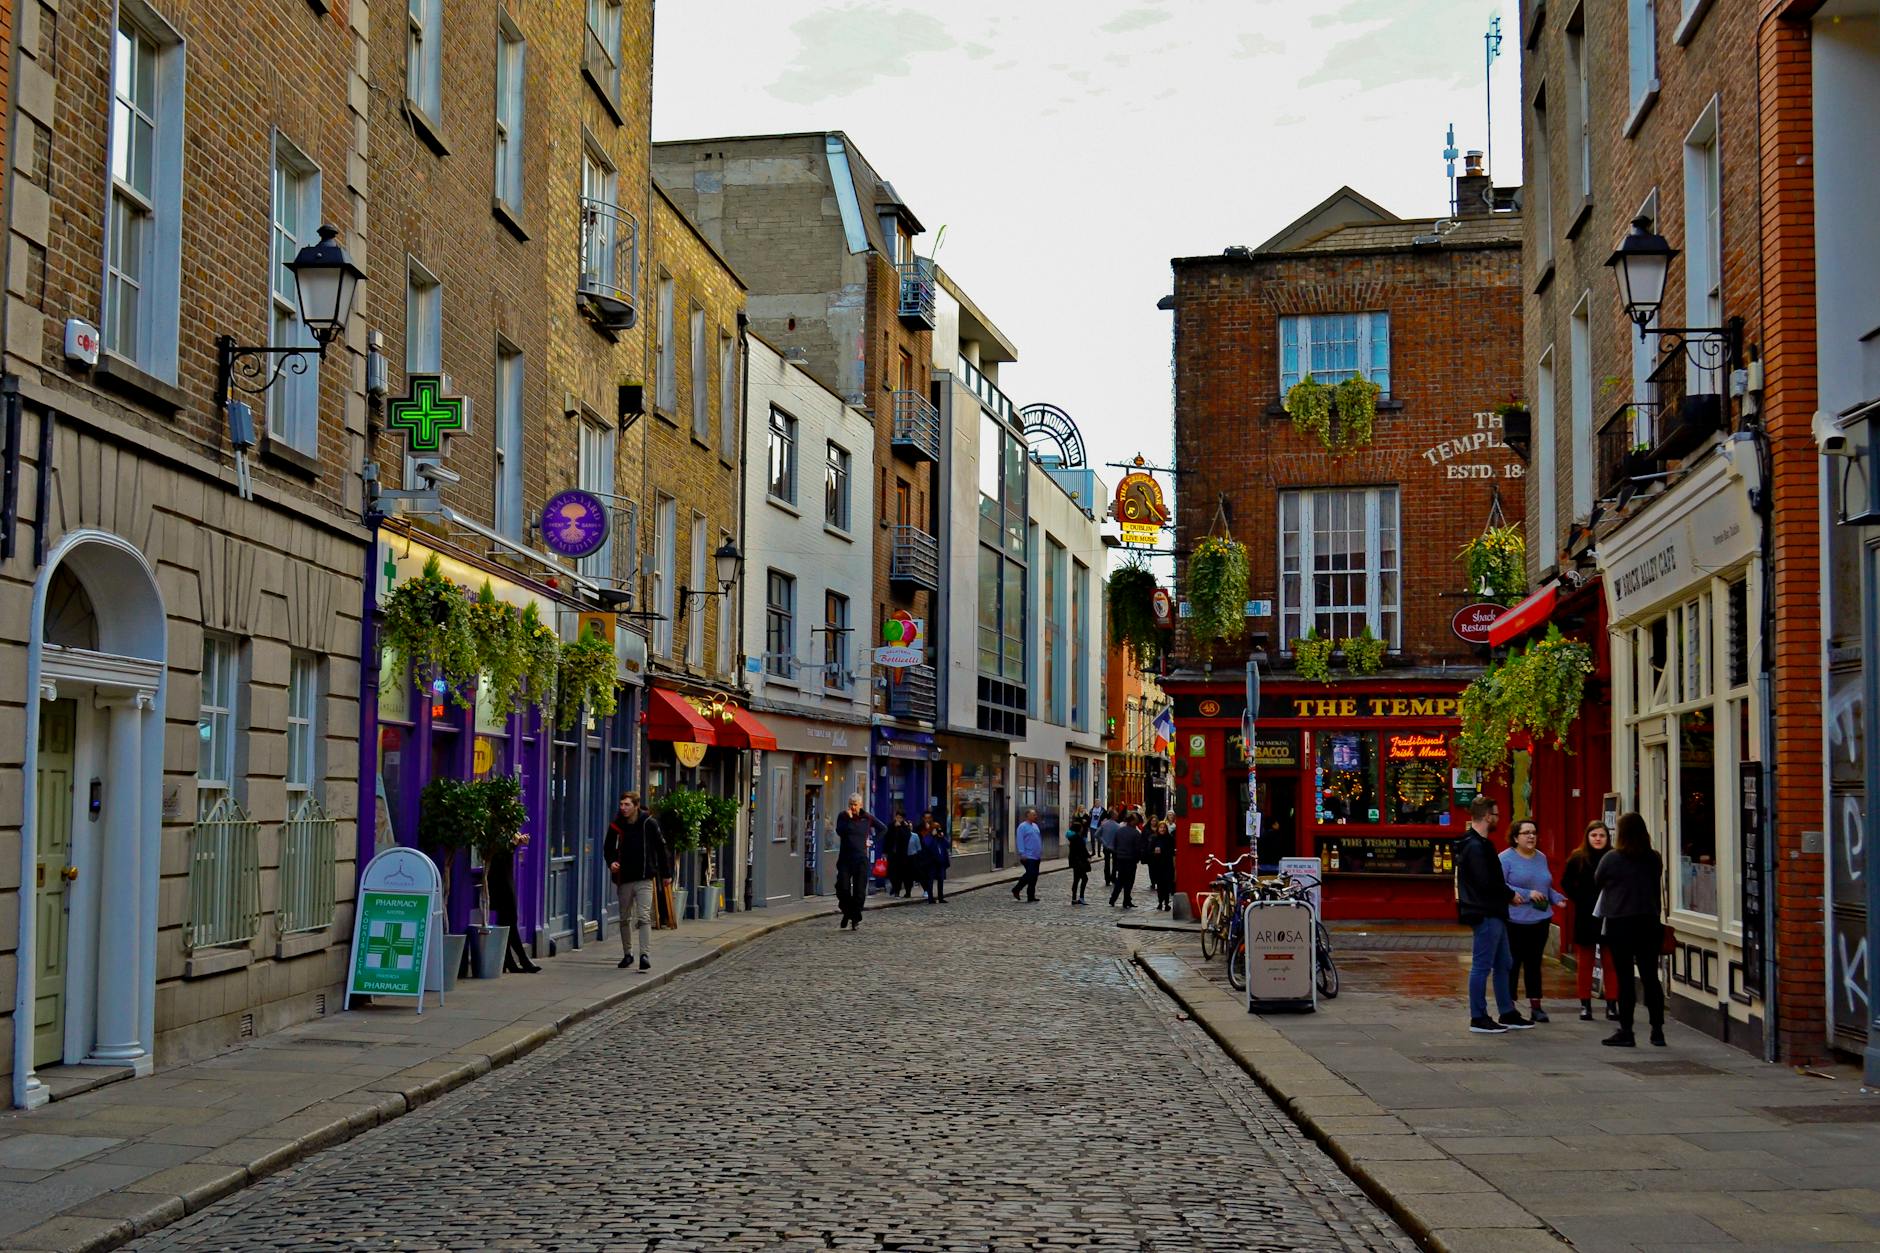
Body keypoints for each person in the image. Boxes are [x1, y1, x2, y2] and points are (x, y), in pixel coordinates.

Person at [1454, 794, 1531, 1033]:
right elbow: (1486, 881)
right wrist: (1509, 895)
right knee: (1481, 966)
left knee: (1503, 963)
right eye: (1496, 815)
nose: (1498, 819)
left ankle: (1507, 1012)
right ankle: (1478, 1017)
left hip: (1493, 911)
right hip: (1485, 912)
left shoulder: (1479, 844)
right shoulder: (1476, 847)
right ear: (1487, 816)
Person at [1595, 812, 1668, 1047]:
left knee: (1625, 978)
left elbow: (1598, 879)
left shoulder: (1612, 858)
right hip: (1649, 922)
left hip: (1620, 923)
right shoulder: (1654, 858)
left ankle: (1626, 1030)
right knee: (1650, 978)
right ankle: (1657, 1030)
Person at [1500, 819, 1567, 1022]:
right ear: (1515, 837)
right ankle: (1509, 1006)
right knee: (1512, 963)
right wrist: (1527, 894)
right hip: (1515, 920)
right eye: (1526, 833)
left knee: (1534, 963)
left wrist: (1556, 898)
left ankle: (1536, 1005)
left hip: (1540, 919)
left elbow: (1545, 886)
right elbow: (1499, 886)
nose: (1531, 837)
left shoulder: (1541, 858)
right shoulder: (1505, 858)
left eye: (1534, 833)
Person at [1561, 819, 1622, 1022]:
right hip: (1586, 916)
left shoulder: (1615, 857)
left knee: (1610, 963)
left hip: (1609, 916)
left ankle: (1612, 1004)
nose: (1598, 839)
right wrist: (1580, 898)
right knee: (1585, 963)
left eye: (1602, 835)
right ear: (1587, 837)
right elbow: (1566, 882)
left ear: (1608, 837)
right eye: (1594, 835)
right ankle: (1585, 1005)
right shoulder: (1577, 858)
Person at [604, 792, 668, 972]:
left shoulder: (649, 823)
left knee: (644, 916)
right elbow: (608, 848)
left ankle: (644, 955)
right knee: (624, 918)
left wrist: (666, 874)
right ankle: (628, 953)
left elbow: (661, 848)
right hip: (624, 878)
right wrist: (611, 862)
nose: (623, 808)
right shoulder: (616, 826)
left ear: (636, 805)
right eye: (621, 804)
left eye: (627, 805)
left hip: (644, 877)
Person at [485, 830, 540, 974]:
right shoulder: (496, 828)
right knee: (509, 919)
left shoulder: (505, 826)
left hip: (505, 875)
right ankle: (522, 959)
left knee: (507, 921)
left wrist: (517, 843)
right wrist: (513, 844)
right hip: (498, 878)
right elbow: (497, 855)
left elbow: (506, 852)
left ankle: (511, 961)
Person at [834, 793, 886, 930]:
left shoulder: (867, 818)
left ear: (860, 805)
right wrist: (850, 819)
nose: (852, 807)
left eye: (855, 804)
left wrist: (872, 841)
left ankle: (854, 918)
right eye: (850, 804)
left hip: (861, 858)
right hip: (845, 858)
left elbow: (883, 828)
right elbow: (840, 831)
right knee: (842, 889)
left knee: (859, 892)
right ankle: (848, 912)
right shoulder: (843, 817)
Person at [1110, 811, 1144, 909]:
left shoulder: (1120, 831)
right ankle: (1126, 901)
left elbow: (1115, 844)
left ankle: (1113, 899)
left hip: (1120, 859)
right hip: (1131, 860)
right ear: (1133, 822)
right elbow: (1138, 849)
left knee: (1120, 880)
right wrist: (1138, 859)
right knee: (1129, 881)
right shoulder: (1136, 833)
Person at [1012, 808, 1043, 902]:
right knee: (1030, 874)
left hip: (1036, 855)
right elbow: (1020, 840)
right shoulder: (1022, 827)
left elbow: (1038, 839)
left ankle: (1031, 896)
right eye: (1033, 815)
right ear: (1028, 816)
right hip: (1028, 855)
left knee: (1034, 877)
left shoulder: (1035, 826)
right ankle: (1016, 889)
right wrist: (1022, 853)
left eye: (1035, 815)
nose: (1035, 816)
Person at [922, 811, 951, 903]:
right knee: (930, 880)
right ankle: (930, 898)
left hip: (941, 861)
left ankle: (941, 897)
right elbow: (927, 844)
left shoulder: (940, 838)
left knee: (941, 880)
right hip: (932, 862)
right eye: (936, 828)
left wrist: (942, 837)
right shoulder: (928, 836)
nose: (938, 829)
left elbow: (947, 845)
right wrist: (931, 835)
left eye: (938, 828)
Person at [1148, 819, 1177, 911]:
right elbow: (1149, 851)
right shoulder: (1154, 838)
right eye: (1161, 827)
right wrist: (1154, 852)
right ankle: (1160, 902)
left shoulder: (1170, 838)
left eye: (1164, 828)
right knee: (1160, 885)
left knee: (1167, 884)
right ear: (1158, 829)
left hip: (1167, 864)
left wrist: (1164, 852)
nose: (1162, 829)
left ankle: (1167, 903)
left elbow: (1173, 851)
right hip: (1157, 865)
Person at [884, 808, 913, 898]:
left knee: (900, 874)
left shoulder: (905, 827)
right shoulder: (891, 826)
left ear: (903, 818)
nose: (898, 819)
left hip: (902, 855)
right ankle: (894, 888)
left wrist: (899, 827)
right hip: (892, 853)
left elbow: (906, 838)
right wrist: (884, 852)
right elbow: (887, 839)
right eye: (897, 817)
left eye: (900, 818)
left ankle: (897, 891)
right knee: (892, 873)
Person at [1067, 817, 1092, 905]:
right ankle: (1081, 897)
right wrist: (1088, 856)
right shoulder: (1078, 838)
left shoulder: (1073, 838)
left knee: (1076, 880)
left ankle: (1074, 898)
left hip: (1074, 862)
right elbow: (1082, 850)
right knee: (1084, 879)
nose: (1082, 829)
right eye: (1081, 827)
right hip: (1079, 862)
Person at [1097, 807, 1121, 888]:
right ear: (1113, 816)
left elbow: (1096, 835)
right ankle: (1113, 878)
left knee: (1107, 863)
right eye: (1116, 815)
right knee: (1115, 864)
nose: (1117, 816)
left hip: (1106, 846)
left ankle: (1107, 880)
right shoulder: (1118, 826)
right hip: (1115, 847)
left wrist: (1103, 842)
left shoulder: (1104, 824)